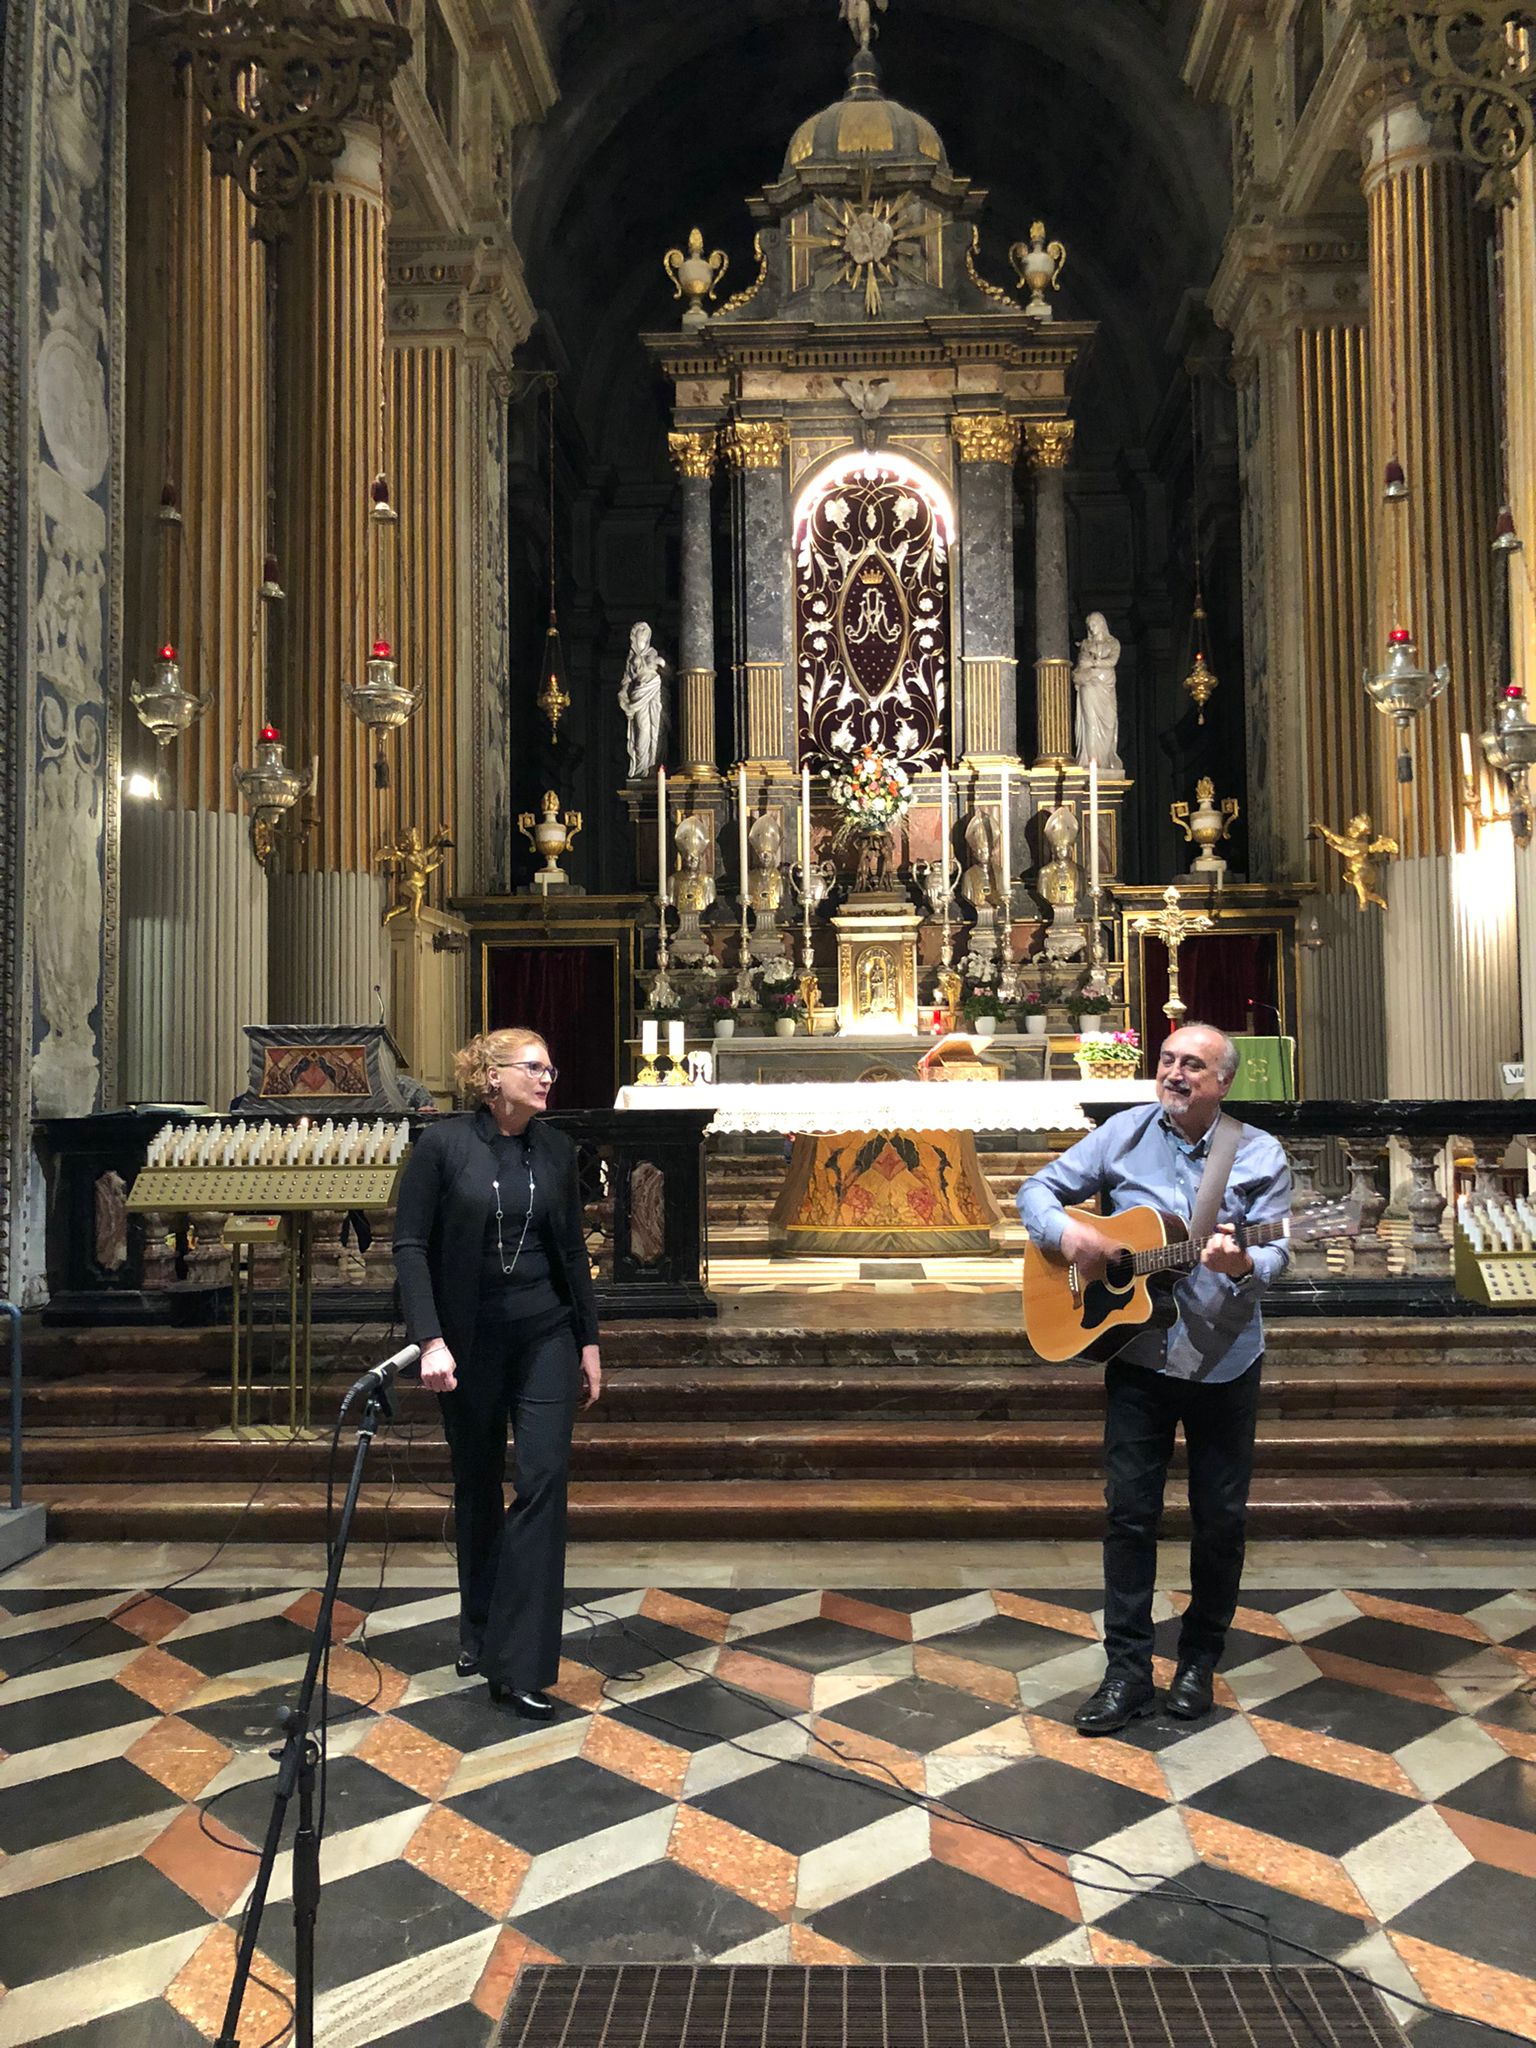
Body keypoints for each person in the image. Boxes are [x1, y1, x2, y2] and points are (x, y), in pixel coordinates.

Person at [1017, 1023, 1291, 1736]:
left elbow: (1280, 1248)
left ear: (1222, 1081)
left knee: (1220, 1518)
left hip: (1224, 1359)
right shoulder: (1124, 1133)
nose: (1174, 1073)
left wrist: (1244, 1263)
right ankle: (1127, 1673)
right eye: (1167, 1060)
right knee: (1129, 1516)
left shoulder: (1257, 1153)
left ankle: (1198, 1661)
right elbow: (1037, 1190)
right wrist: (1069, 1235)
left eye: (1192, 1065)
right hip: (1139, 1358)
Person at [394, 1027, 601, 1719]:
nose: (547, 1078)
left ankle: (522, 1663)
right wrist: (430, 1340)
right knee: (477, 1484)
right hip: (468, 1340)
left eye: (550, 1069)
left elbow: (571, 1251)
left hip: (545, 1333)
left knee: (543, 1482)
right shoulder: (443, 1145)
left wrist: (588, 1340)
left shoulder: (557, 1149)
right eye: (534, 1067)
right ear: (491, 1077)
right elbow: (410, 1245)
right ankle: (479, 1630)